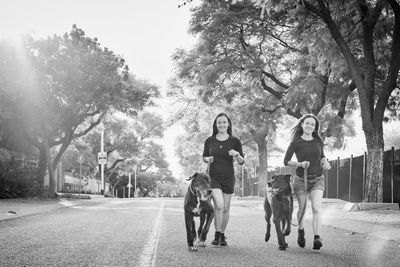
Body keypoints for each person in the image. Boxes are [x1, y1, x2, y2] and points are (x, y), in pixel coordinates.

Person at [283, 114, 331, 250]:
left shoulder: (318, 142)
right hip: (301, 179)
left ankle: (317, 237)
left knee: (316, 208)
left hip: (317, 179)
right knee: (302, 209)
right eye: (307, 123)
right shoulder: (296, 142)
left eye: (312, 124)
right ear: (302, 124)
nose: (310, 126)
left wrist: (325, 162)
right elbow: (286, 161)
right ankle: (301, 230)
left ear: (315, 128)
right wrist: (299, 163)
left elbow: (322, 156)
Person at [202, 112, 244, 246]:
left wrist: (236, 154)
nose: (222, 124)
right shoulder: (210, 140)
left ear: (228, 124)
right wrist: (207, 159)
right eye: (219, 122)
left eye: (224, 122)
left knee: (226, 208)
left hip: (228, 178)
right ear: (215, 124)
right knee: (219, 205)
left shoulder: (234, 141)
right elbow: (204, 156)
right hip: (213, 178)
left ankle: (222, 235)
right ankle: (216, 233)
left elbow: (242, 161)